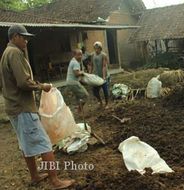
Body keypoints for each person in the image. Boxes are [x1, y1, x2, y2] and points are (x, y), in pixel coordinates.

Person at [0, 24, 75, 189]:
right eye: (23, 37)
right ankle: (55, 180)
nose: (26, 40)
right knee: (44, 143)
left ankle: (35, 176)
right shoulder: (14, 53)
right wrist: (43, 86)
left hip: (14, 107)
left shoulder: (6, 53)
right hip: (23, 107)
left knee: (26, 144)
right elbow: (23, 82)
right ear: (14, 37)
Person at [66, 49, 89, 113]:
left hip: (70, 82)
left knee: (79, 97)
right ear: (74, 55)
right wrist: (82, 73)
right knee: (85, 96)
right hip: (73, 83)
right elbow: (76, 74)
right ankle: (79, 110)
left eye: (81, 54)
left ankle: (79, 113)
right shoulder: (75, 63)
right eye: (78, 55)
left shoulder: (72, 61)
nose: (80, 56)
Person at [91, 41, 110, 108]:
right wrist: (90, 74)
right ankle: (100, 101)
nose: (96, 49)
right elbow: (92, 65)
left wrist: (104, 76)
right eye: (95, 48)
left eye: (98, 48)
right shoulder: (93, 55)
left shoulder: (103, 55)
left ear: (100, 48)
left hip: (103, 75)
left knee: (105, 90)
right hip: (96, 76)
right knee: (94, 91)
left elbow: (104, 66)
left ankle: (107, 103)